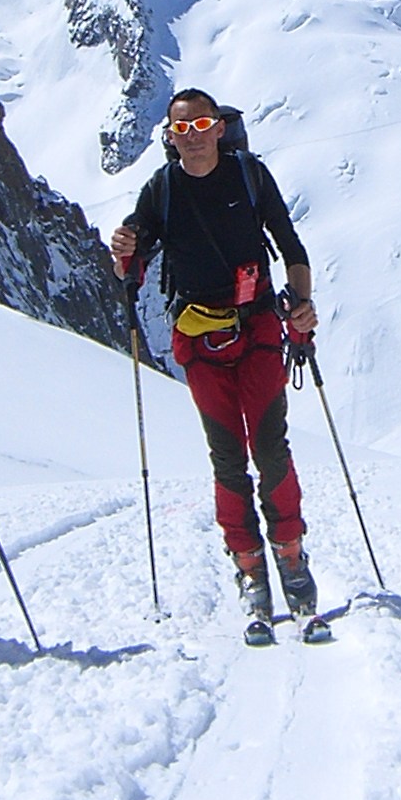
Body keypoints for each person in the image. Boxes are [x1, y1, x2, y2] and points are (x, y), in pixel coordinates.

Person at [111, 88, 320, 631]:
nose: (194, 136)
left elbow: (291, 247)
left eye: (201, 124)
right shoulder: (161, 189)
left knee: (269, 446)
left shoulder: (249, 176)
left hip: (256, 328)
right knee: (228, 456)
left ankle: (285, 554)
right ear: (170, 136)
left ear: (219, 128)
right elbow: (133, 259)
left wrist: (302, 304)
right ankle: (257, 564)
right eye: (182, 129)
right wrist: (124, 252)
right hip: (202, 338)